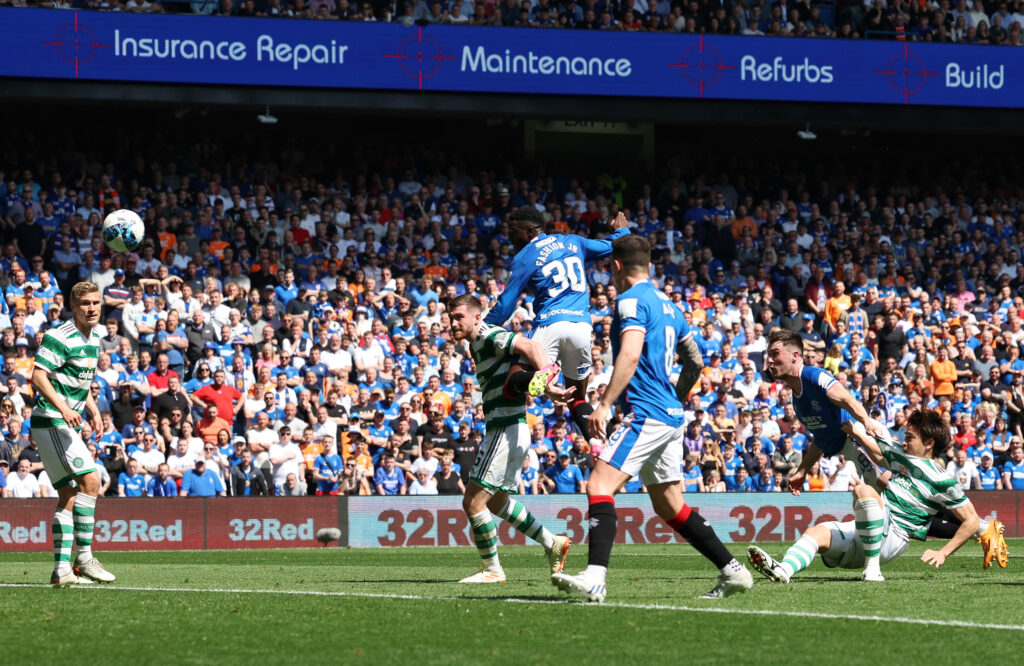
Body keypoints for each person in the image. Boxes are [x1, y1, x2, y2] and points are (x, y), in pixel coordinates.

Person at [552, 235, 753, 602]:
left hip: (646, 412)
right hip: (671, 414)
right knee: (669, 505)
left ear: (615, 266)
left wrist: (605, 404)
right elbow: (693, 360)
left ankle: (595, 578)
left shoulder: (630, 301)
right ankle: (733, 571)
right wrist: (677, 396)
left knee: (598, 484)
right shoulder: (670, 306)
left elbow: (628, 354)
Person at [748, 410, 984, 583]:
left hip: (894, 537)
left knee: (863, 490)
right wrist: (855, 434)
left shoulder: (942, 479)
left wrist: (943, 552)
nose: (904, 440)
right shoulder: (901, 456)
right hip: (871, 531)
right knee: (815, 533)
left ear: (929, 443)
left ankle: (872, 569)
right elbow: (878, 451)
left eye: (910, 437)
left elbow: (971, 520)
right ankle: (783, 571)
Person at [448, 293, 571, 584]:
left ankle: (492, 570)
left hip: (505, 428)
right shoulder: (476, 344)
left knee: (473, 502)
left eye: (458, 317)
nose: (452, 322)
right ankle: (553, 542)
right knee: (497, 501)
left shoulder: (488, 334)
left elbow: (530, 345)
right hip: (509, 428)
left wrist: (548, 378)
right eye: (451, 317)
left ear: (477, 317)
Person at [484, 207, 630, 435]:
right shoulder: (573, 242)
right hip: (581, 328)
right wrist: (622, 230)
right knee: (576, 398)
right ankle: (597, 442)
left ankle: (537, 375)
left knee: (512, 385)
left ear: (529, 231)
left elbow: (505, 306)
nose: (509, 236)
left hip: (549, 326)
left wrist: (482, 329)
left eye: (513, 231)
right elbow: (612, 246)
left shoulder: (523, 257)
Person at [30, 281, 115, 585]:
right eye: (85, 304)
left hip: (60, 422)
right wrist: (64, 409)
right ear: (73, 307)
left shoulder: (93, 338)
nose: (92, 308)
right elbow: (38, 376)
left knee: (68, 494)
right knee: (91, 481)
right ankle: (85, 559)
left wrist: (92, 410)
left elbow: (79, 381)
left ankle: (62, 571)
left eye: (96, 302)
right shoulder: (59, 336)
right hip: (52, 419)